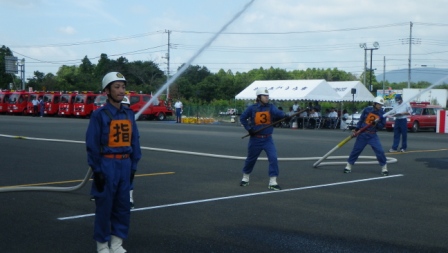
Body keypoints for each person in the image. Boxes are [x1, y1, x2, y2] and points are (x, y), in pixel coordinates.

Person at [86, 72, 142, 253]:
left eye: (123, 87)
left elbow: (135, 141)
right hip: (107, 165)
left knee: (123, 206)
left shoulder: (128, 114)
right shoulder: (99, 115)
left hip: (125, 165)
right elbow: (92, 144)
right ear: (107, 91)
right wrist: (98, 171)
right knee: (105, 207)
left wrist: (133, 167)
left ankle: (117, 244)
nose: (121, 91)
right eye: (117, 87)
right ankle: (102, 245)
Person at [239, 87, 289, 190]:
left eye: (267, 96)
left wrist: (286, 116)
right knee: (251, 159)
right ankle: (245, 177)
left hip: (267, 139)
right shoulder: (252, 108)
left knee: (273, 158)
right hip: (255, 139)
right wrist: (249, 129)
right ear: (259, 97)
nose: (267, 98)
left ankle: (273, 181)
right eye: (264, 96)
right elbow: (242, 118)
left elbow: (279, 114)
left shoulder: (271, 107)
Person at [344, 96, 388, 176]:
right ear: (374, 104)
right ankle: (348, 166)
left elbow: (382, 126)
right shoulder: (367, 110)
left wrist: (376, 123)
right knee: (356, 150)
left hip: (373, 135)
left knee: (380, 151)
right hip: (363, 134)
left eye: (381, 105)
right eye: (378, 104)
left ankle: (384, 167)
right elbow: (361, 120)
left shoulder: (382, 114)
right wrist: (357, 129)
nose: (380, 106)